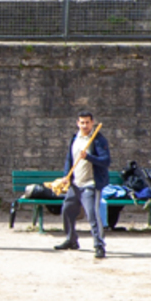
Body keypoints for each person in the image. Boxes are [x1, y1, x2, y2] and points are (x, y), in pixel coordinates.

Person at [56, 110, 111, 259]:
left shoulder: (98, 140)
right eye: (82, 122)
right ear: (77, 123)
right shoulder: (75, 138)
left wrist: (89, 157)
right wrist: (66, 176)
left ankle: (99, 246)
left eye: (87, 122)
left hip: (90, 184)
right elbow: (69, 159)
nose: (84, 125)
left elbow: (106, 161)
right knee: (67, 209)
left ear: (92, 123)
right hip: (75, 183)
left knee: (92, 215)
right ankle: (71, 240)